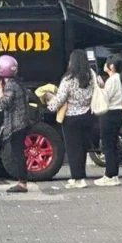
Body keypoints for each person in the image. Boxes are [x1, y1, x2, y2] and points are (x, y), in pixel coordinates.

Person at [48, 49, 96, 189]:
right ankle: (81, 177)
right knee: (83, 147)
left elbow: (60, 98)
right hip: (88, 114)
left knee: (73, 149)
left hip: (71, 118)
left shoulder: (68, 79)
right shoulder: (91, 75)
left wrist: (50, 106)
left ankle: (77, 178)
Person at [0, 55, 30, 194]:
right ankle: (22, 181)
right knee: (18, 152)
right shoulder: (17, 83)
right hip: (21, 123)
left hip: (16, 124)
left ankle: (22, 183)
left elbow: (4, 104)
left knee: (17, 153)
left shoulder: (10, 85)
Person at [95, 55, 122, 187]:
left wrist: (99, 87)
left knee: (107, 145)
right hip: (119, 112)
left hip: (109, 113)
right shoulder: (119, 79)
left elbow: (105, 97)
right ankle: (114, 175)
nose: (104, 65)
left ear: (111, 66)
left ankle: (108, 175)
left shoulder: (112, 80)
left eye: (106, 63)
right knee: (113, 145)